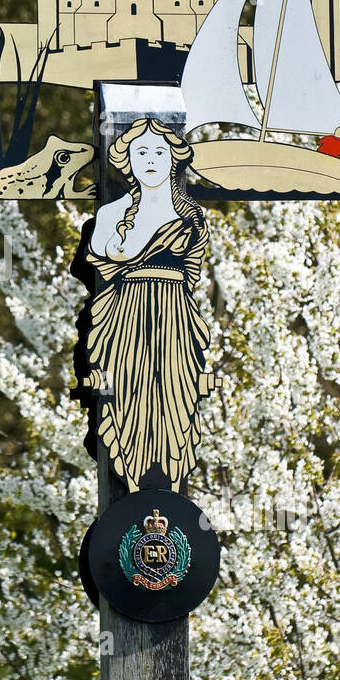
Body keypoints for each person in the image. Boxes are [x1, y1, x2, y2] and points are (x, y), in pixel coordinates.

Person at [83, 118, 211, 492]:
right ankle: (132, 476)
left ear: (174, 158)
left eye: (159, 151)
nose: (151, 159)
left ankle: (167, 482)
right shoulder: (110, 215)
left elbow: (191, 272)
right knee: (127, 394)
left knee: (174, 395)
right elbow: (103, 266)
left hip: (174, 316)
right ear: (128, 160)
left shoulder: (191, 217)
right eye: (141, 152)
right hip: (127, 316)